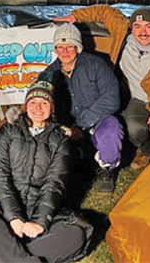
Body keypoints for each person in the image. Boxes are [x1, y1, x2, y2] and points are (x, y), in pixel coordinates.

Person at [0, 81, 93, 263]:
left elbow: (54, 184)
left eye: (44, 103)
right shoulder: (8, 131)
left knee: (75, 234)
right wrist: (14, 218)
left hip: (41, 210)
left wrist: (39, 222)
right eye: (33, 102)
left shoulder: (60, 140)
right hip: (4, 209)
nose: (38, 107)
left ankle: (4, 255)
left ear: (51, 107)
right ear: (25, 105)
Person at [53, 6, 150, 171]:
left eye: (149, 26)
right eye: (137, 26)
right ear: (131, 27)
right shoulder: (123, 33)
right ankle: (146, 150)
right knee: (133, 128)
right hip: (135, 98)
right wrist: (76, 16)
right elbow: (106, 12)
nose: (143, 32)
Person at [42, 24, 123, 193]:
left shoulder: (96, 65)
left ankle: (107, 168)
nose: (65, 51)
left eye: (70, 46)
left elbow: (112, 99)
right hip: (66, 129)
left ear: (77, 47)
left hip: (94, 124)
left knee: (111, 126)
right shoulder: (48, 74)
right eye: (60, 47)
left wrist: (81, 124)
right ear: (55, 49)